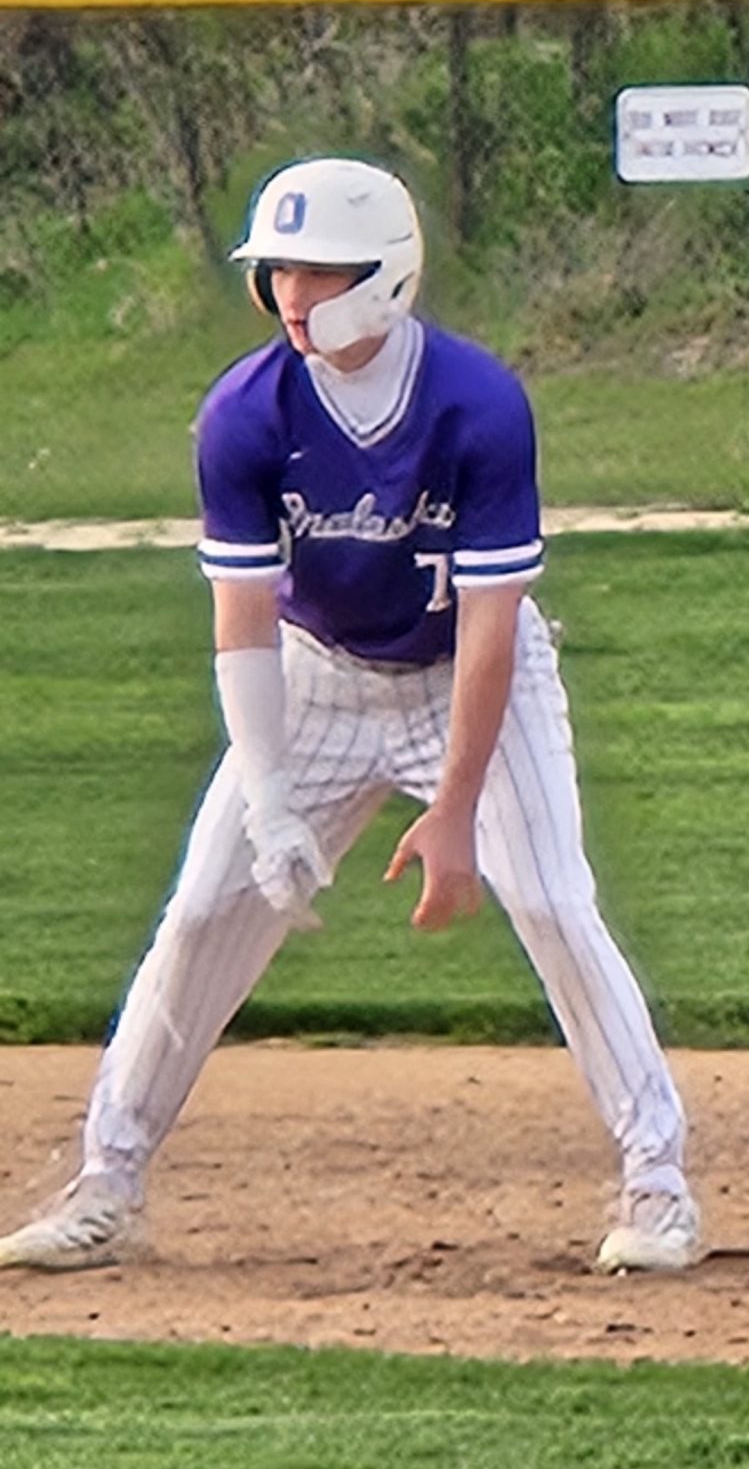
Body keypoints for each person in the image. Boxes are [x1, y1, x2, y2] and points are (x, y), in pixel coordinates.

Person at [0, 156, 701, 1275]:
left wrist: (458, 810)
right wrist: (271, 799)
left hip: (470, 680)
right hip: (315, 674)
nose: (291, 294)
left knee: (555, 901)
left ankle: (657, 1184)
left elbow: (489, 627)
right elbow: (242, 617)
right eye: (277, 270)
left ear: (386, 274)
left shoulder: (477, 406)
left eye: (318, 272)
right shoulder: (243, 411)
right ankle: (105, 1185)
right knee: (203, 909)